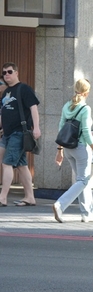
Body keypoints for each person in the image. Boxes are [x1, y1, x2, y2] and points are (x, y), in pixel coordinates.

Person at [52, 79, 93, 222]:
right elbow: (86, 132)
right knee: (83, 180)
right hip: (80, 149)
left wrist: (59, 150)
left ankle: (87, 214)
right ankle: (60, 205)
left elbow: (61, 128)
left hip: (68, 149)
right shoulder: (85, 108)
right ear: (87, 92)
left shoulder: (67, 105)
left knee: (82, 181)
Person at [0, 62, 40, 207]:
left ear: (16, 72)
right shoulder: (6, 92)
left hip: (19, 133)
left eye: (9, 72)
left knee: (7, 163)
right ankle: (30, 197)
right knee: (21, 165)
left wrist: (36, 128)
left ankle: (2, 197)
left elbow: (33, 108)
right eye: (4, 73)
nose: (6, 75)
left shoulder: (24, 89)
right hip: (7, 133)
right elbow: (3, 111)